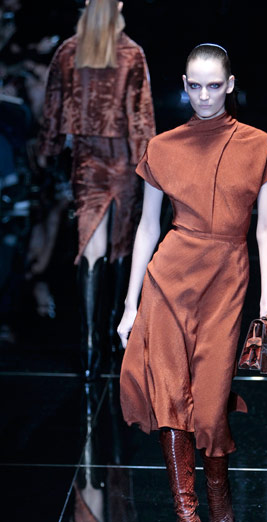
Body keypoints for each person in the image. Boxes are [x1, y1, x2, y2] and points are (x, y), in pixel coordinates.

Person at [118, 43, 267, 522]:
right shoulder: (163, 146)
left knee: (210, 409)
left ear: (230, 84)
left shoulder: (258, 145)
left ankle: (217, 482)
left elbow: (266, 228)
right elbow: (147, 226)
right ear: (185, 85)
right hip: (170, 280)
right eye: (196, 86)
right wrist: (130, 304)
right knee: (170, 401)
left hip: (227, 280)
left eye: (215, 85)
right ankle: (187, 521)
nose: (205, 96)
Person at [38, 0, 155, 378]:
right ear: (119, 5)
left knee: (93, 249)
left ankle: (89, 346)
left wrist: (48, 151)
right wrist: (151, 166)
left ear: (87, 4)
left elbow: (52, 110)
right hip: (124, 162)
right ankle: (111, 333)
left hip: (87, 162)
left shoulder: (68, 51)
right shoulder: (131, 53)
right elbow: (141, 117)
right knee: (120, 247)